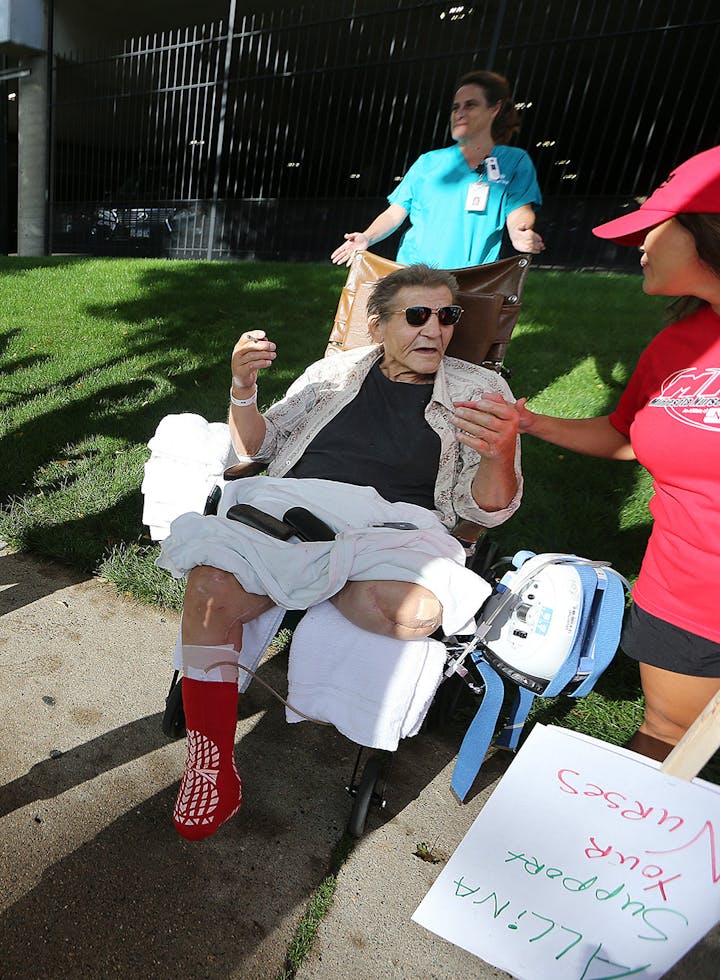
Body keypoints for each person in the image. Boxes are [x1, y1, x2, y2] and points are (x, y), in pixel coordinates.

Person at [160, 264, 522, 839]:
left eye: (448, 316)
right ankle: (211, 760)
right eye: (418, 315)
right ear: (377, 325)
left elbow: (487, 511)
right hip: (294, 507)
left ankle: (319, 574)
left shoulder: (481, 392)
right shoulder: (332, 373)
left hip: (397, 526)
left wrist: (500, 454)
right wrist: (243, 389)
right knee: (208, 586)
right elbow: (259, 444)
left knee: (418, 615)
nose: (435, 329)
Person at [515, 145, 720, 763]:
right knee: (666, 745)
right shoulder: (678, 341)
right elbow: (627, 434)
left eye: (653, 227)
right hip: (683, 592)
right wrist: (529, 422)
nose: (639, 244)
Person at [331, 70, 545, 268]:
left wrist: (520, 232)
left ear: (494, 109)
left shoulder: (514, 160)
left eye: (470, 105)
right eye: (455, 107)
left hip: (472, 278)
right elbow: (395, 213)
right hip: (414, 275)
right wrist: (367, 237)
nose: (459, 113)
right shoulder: (428, 162)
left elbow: (519, 210)